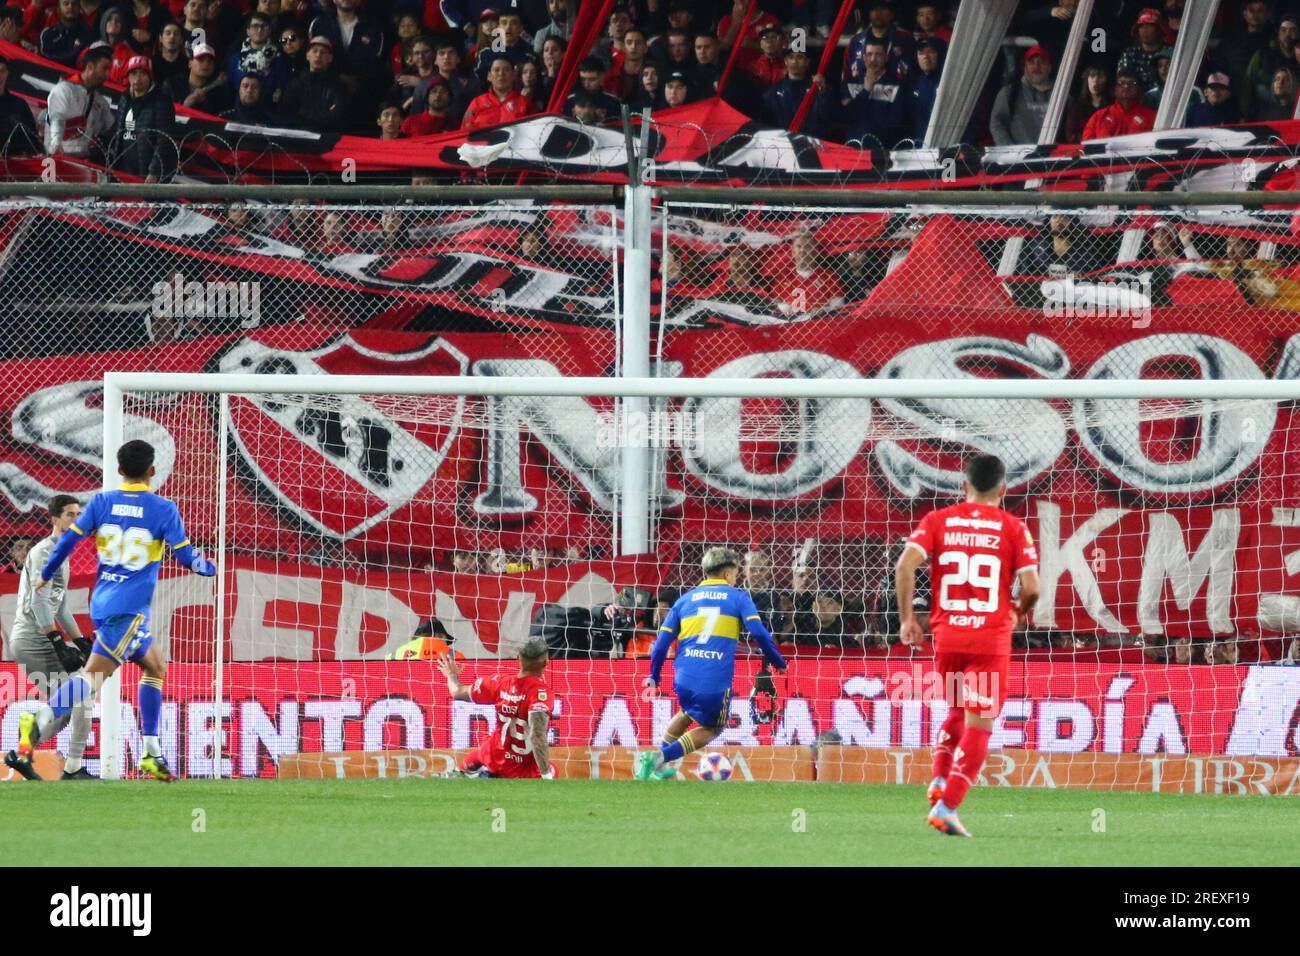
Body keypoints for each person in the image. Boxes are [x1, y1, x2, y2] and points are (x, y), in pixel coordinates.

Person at [3, 440, 217, 782]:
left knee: (155, 666)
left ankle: (151, 752)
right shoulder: (163, 509)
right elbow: (185, 555)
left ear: (118, 470)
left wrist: (45, 573)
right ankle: (36, 726)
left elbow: (69, 540)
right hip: (128, 610)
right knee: (91, 677)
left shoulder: (102, 502)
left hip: (106, 603)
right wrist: (206, 566)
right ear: (152, 471)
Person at [895, 453, 1040, 837]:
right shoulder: (1012, 527)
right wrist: (1018, 612)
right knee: (980, 725)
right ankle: (948, 805)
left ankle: (939, 781)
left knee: (958, 711)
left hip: (948, 639)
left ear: (964, 486)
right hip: (988, 641)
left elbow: (904, 566)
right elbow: (1032, 588)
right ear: (1003, 489)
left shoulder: (937, 520)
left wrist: (908, 618)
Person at [635, 547, 787, 781]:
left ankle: (652, 764)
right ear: (728, 574)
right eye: (736, 572)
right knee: (712, 728)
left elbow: (661, 644)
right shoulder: (738, 598)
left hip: (683, 677)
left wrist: (654, 676)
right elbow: (760, 633)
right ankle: (657, 758)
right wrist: (777, 661)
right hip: (714, 679)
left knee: (688, 712)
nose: (737, 577)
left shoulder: (684, 600)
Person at [3, 495, 95, 781]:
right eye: (70, 515)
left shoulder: (63, 554)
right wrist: (58, 643)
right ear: (54, 519)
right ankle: (73, 768)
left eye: (79, 515)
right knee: (82, 695)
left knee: (70, 707)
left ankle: (23, 752)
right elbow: (39, 603)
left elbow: (61, 606)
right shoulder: (44, 552)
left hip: (41, 637)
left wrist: (79, 641)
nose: (76, 520)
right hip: (33, 639)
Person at [436, 638, 553, 779]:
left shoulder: (498, 682)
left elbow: (457, 691)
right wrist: (546, 775)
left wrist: (451, 675)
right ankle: (474, 775)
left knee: (487, 747)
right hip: (523, 771)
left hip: (495, 757)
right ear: (546, 663)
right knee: (553, 769)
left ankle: (462, 773)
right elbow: (537, 735)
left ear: (518, 658)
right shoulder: (541, 693)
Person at [110, 55, 176, 182]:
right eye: (134, 73)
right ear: (128, 76)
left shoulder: (161, 102)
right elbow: (117, 134)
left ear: (150, 77)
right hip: (121, 170)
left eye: (143, 74)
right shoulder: (124, 98)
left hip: (146, 174)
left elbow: (164, 140)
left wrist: (154, 172)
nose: (138, 79)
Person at [44, 43, 113, 158]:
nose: (107, 75)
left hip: (83, 161)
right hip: (58, 157)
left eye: (109, 70)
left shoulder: (101, 102)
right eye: (104, 69)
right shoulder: (64, 89)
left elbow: (110, 129)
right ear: (90, 67)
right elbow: (57, 117)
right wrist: (56, 143)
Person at [990, 45, 1054, 146]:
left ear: (1049, 68)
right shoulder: (1009, 93)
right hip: (1020, 159)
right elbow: (996, 123)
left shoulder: (1061, 95)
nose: (1036, 67)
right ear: (1025, 67)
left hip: (1053, 158)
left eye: (1041, 62)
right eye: (1031, 62)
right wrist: (1009, 150)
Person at [1081, 68, 1156, 139]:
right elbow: (1087, 145)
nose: (1126, 86)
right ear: (1115, 89)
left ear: (1138, 89)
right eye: (1121, 83)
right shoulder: (1099, 116)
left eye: (1132, 83)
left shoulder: (1152, 117)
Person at [460, 55, 531, 130]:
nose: (501, 74)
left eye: (506, 70)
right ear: (489, 76)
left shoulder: (524, 103)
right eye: (496, 70)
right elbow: (464, 132)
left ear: (514, 75)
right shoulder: (477, 103)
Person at [1117, 7, 1173, 91]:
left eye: (1149, 26)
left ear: (1158, 29)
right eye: (1141, 26)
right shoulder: (1130, 53)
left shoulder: (1170, 52)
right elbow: (1123, 80)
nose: (1144, 30)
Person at [0, 56, 40, 155]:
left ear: (7, 73)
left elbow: (32, 137)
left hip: (16, 164)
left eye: (2, 71)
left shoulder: (19, 104)